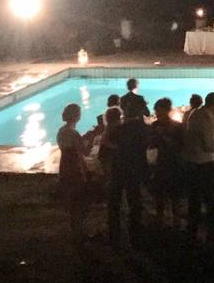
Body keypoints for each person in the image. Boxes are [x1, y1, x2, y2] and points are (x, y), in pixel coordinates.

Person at [107, 95, 151, 246]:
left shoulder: (121, 129)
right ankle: (135, 235)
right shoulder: (145, 129)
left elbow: (110, 142)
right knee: (135, 201)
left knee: (115, 201)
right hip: (136, 168)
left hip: (119, 167)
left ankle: (114, 233)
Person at [56, 103, 101, 240]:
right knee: (80, 199)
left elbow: (72, 147)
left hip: (64, 166)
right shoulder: (73, 133)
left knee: (72, 199)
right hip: (74, 168)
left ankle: (75, 230)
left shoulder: (61, 131)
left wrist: (85, 137)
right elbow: (85, 152)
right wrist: (93, 137)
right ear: (77, 116)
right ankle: (79, 231)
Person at [182, 92, 214, 242]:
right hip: (203, 163)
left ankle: (192, 230)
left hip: (191, 161)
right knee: (212, 199)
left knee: (194, 199)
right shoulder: (207, 119)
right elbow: (209, 146)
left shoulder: (194, 114)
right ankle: (212, 232)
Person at [151, 98, 185, 228]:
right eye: (157, 113)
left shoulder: (178, 127)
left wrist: (163, 135)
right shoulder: (154, 125)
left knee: (174, 195)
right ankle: (159, 220)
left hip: (174, 164)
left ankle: (176, 220)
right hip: (159, 164)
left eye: (160, 113)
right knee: (159, 194)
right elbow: (151, 144)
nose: (158, 116)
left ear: (168, 111)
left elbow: (180, 147)